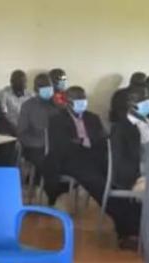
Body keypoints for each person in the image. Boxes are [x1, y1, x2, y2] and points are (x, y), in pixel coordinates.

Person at [46, 86, 140, 248]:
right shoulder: (56, 120)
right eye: (77, 101)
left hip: (95, 157)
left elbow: (102, 141)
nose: (81, 104)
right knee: (100, 186)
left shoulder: (92, 118)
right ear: (68, 103)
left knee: (117, 181)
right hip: (70, 159)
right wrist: (84, 142)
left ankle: (135, 223)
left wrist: (84, 142)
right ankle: (126, 230)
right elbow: (61, 145)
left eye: (83, 100)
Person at [111, 85, 149, 196]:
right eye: (143, 99)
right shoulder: (121, 128)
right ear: (131, 104)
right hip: (135, 176)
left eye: (148, 98)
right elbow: (119, 161)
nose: (148, 102)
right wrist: (143, 173)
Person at [17, 73, 60, 192]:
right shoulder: (28, 106)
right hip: (35, 147)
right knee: (48, 163)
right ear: (36, 89)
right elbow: (21, 132)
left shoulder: (58, 105)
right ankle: (46, 191)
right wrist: (40, 142)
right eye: (43, 87)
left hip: (56, 146)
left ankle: (56, 189)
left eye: (49, 87)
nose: (48, 90)